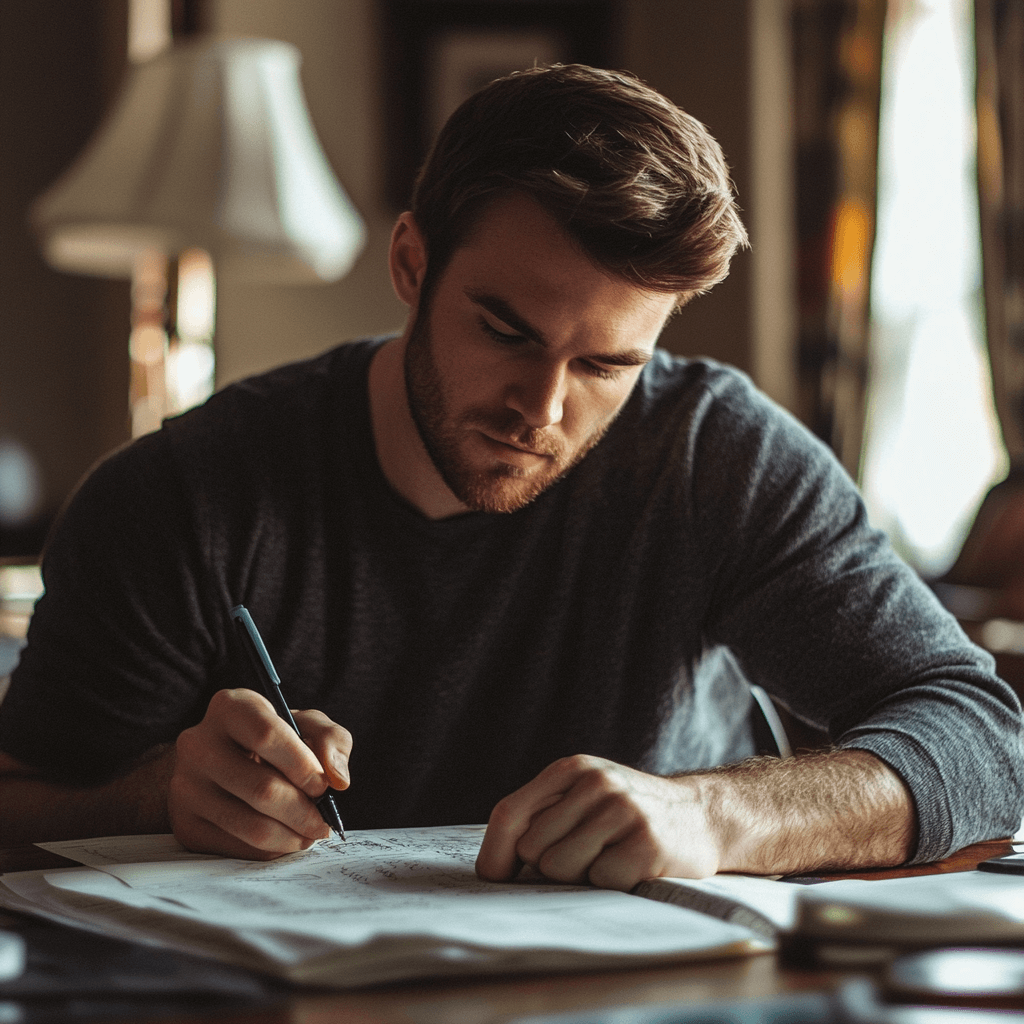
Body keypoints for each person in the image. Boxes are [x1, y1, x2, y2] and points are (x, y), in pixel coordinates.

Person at [0, 65, 1021, 889]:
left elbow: (983, 741)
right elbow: (18, 802)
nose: (541, 407)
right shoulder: (183, 497)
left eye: (606, 365)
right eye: (505, 331)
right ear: (411, 262)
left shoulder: (715, 457)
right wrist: (158, 794)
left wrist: (716, 811)